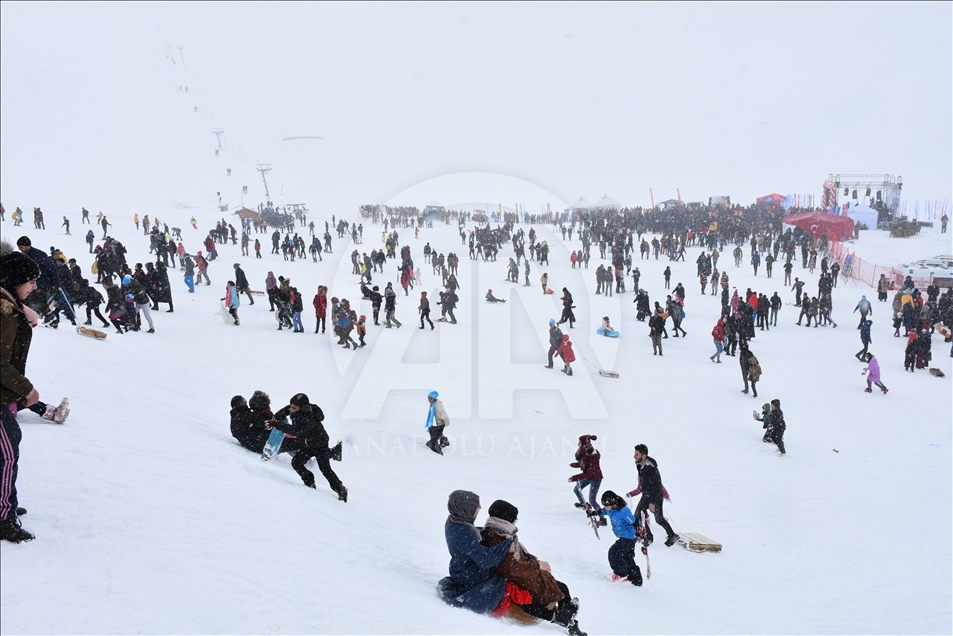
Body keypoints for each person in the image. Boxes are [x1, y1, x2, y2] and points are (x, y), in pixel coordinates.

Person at [0, 246, 68, 542]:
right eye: (31, 281)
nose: (35, 286)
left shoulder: (8, 304)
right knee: (7, 453)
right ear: (16, 281)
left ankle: (7, 503)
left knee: (10, 443)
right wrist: (27, 390)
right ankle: (3, 515)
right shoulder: (3, 311)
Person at [481, 500, 585, 636]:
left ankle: (567, 618)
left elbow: (513, 560)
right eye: (514, 519)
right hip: (517, 581)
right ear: (506, 519)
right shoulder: (498, 537)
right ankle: (566, 619)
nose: (515, 523)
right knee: (554, 591)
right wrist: (537, 565)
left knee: (561, 588)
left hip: (520, 576)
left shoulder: (498, 532)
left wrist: (530, 558)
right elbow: (510, 569)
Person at [437, 490, 513, 615]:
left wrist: (482, 532)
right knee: (500, 580)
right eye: (476, 506)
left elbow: (467, 540)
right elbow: (485, 560)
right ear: (467, 509)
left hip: (461, 568)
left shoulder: (454, 520)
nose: (480, 507)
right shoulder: (463, 532)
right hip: (470, 574)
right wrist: (507, 544)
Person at [270, 393, 347, 501]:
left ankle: (340, 489)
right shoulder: (298, 408)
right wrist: (275, 417)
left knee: (325, 469)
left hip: (320, 444)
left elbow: (294, 431)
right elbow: (287, 409)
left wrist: (277, 424)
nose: (291, 409)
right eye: (291, 406)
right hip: (307, 444)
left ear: (302, 408)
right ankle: (309, 482)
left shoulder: (308, 418)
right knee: (296, 462)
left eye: (294, 408)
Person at [587, 490, 646, 586]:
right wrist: (593, 513)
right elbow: (603, 511)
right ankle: (636, 578)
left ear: (612, 503)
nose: (605, 507)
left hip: (628, 538)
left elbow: (633, 521)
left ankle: (621, 572)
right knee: (627, 557)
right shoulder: (610, 510)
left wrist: (639, 530)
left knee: (613, 552)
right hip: (624, 537)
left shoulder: (623, 511)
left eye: (606, 505)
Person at [631, 444, 678, 546]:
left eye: (637, 454)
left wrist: (652, 502)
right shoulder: (640, 464)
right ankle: (648, 536)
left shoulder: (650, 468)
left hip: (655, 495)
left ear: (643, 456)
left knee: (659, 519)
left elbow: (656, 485)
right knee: (638, 514)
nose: (634, 456)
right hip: (646, 494)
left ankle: (672, 535)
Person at [568, 435, 602, 509]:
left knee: (592, 500)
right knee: (576, 489)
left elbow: (589, 474)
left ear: (584, 445)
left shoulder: (593, 456)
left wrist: (575, 478)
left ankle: (601, 516)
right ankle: (584, 505)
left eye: (579, 443)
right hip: (589, 476)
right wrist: (575, 465)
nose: (578, 445)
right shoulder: (586, 453)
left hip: (596, 478)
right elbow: (585, 464)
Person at [425, 390, 450, 454]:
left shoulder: (438, 404)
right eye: (428, 398)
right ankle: (444, 440)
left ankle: (444, 441)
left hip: (442, 420)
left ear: (434, 398)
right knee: (439, 432)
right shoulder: (433, 404)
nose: (429, 400)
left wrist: (443, 419)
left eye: (431, 398)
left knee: (438, 432)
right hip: (439, 420)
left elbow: (442, 411)